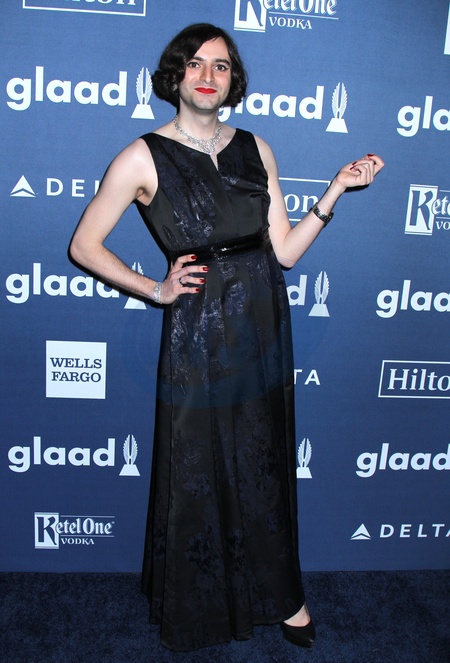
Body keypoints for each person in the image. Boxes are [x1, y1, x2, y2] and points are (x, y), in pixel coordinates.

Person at [69, 23, 384, 652]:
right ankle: (200, 602)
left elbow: (284, 251)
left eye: (220, 65)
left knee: (263, 460)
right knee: (199, 464)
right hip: (197, 330)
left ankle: (285, 596)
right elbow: (84, 245)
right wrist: (155, 289)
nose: (208, 75)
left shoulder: (256, 147)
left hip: (262, 321)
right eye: (195, 64)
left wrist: (335, 191)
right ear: (175, 76)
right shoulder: (142, 156)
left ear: (233, 79)